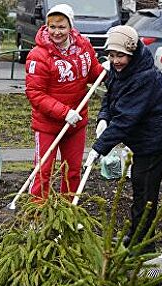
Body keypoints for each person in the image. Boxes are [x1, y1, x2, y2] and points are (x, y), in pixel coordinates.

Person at [84, 26, 162, 251]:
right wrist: (102, 118)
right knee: (140, 184)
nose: (115, 60)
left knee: (145, 186)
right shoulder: (119, 71)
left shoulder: (145, 77)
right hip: (143, 134)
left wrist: (99, 147)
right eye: (111, 55)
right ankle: (136, 234)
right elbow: (111, 97)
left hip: (158, 135)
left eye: (120, 56)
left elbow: (127, 118)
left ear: (132, 52)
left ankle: (144, 244)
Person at [25, 4, 105, 199]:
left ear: (70, 27)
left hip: (76, 123)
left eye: (62, 27)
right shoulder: (39, 56)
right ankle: (36, 215)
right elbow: (35, 94)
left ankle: (67, 213)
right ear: (46, 27)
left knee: (72, 172)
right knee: (43, 172)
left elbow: (92, 72)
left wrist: (106, 70)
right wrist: (64, 112)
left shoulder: (83, 46)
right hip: (48, 125)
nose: (56, 32)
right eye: (52, 27)